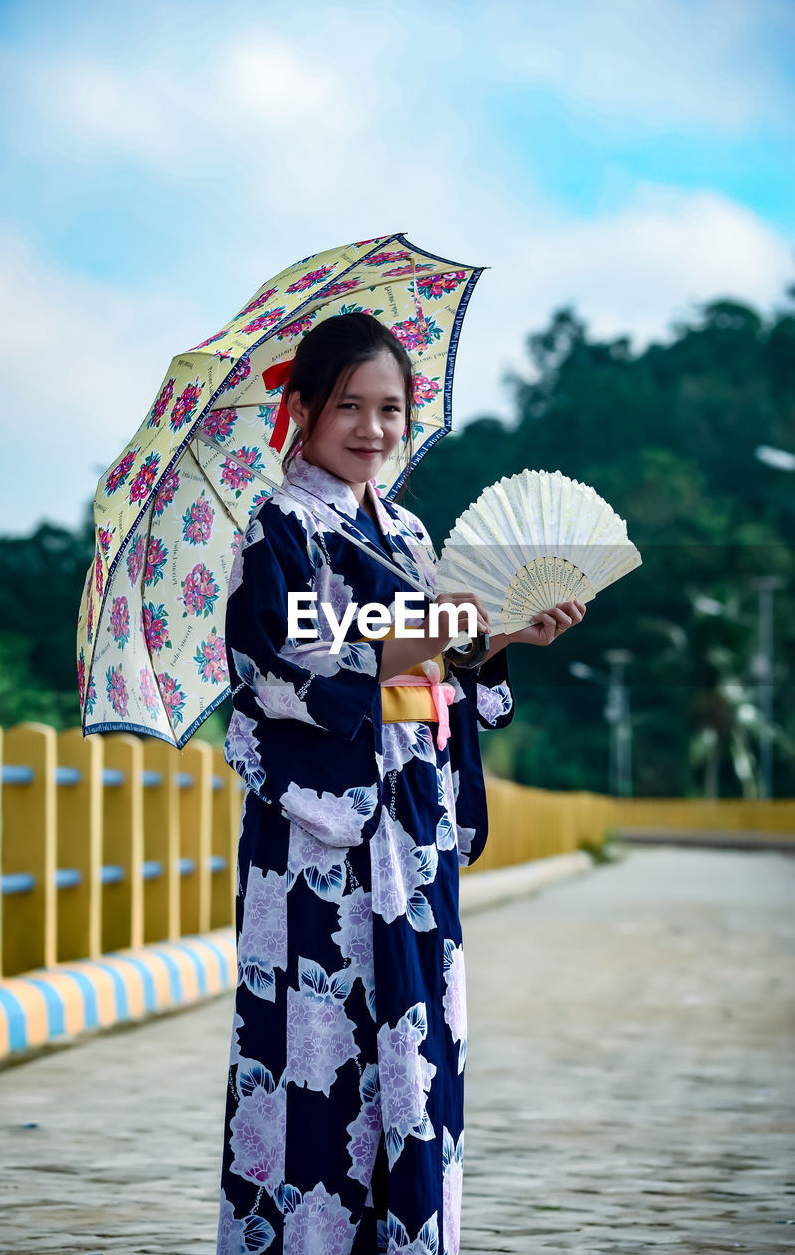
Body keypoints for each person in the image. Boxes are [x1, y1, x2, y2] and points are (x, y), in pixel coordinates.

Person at [216, 312, 585, 1255]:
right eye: (349, 407)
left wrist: (504, 634)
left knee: (417, 1055)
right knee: (318, 1051)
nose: (372, 430)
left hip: (413, 823)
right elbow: (291, 658)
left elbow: (441, 670)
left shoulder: (407, 529)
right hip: (321, 836)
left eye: (391, 410)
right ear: (298, 409)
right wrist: (451, 623)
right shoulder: (280, 526)